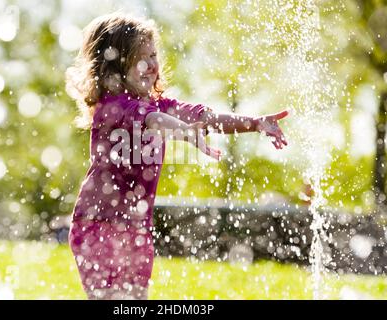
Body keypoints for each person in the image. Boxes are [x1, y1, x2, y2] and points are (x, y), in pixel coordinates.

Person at [65, 12, 288, 300]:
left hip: (136, 229)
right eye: (139, 59)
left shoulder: (156, 103)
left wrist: (255, 123)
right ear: (114, 67)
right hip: (98, 226)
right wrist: (186, 132)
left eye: (153, 55)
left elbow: (204, 116)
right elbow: (153, 120)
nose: (151, 66)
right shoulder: (113, 107)